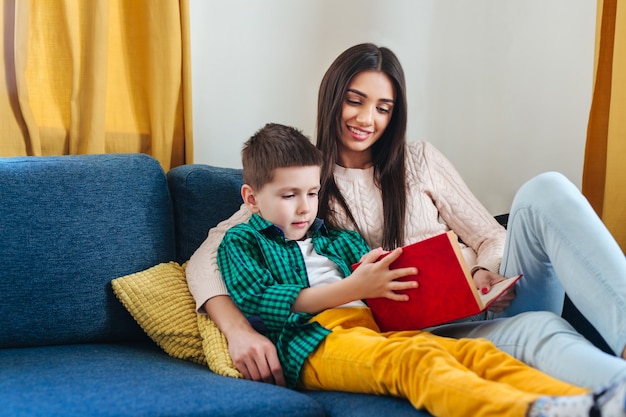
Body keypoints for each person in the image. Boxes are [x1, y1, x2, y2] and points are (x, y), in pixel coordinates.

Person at [186, 43, 626, 390]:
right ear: (332, 98)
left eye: (383, 107)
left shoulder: (420, 160)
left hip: (482, 303)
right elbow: (206, 258)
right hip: (427, 337)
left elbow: (493, 237)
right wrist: (238, 330)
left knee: (544, 190)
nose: (366, 119)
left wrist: (485, 274)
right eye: (354, 101)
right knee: (543, 328)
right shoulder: (302, 184)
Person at [215, 122, 626, 417]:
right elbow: (263, 301)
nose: (304, 207)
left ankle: (594, 402)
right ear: (252, 198)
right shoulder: (243, 241)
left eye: (312, 192)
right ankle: (535, 410)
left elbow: (380, 285)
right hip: (314, 342)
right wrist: (355, 287)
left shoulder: (336, 239)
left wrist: (416, 282)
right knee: (416, 363)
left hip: (382, 329)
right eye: (289, 195)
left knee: (474, 352)